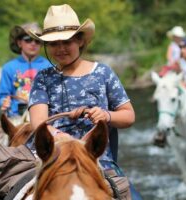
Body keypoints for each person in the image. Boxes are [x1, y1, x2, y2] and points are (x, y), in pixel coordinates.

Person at [28, 4, 142, 199]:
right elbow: (39, 124)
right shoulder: (43, 78)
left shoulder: (103, 73)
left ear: (80, 40)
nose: (61, 48)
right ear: (47, 46)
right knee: (0, 186)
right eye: (54, 44)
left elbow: (128, 115)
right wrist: (61, 137)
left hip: (96, 160)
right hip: (52, 158)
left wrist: (106, 115)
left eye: (67, 41)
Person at [0, 22, 51, 200]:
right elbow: (3, 95)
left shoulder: (47, 66)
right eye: (28, 39)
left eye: (37, 41)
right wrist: (4, 101)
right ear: (19, 42)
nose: (33, 44)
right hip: (13, 118)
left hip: (40, 118)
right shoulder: (9, 68)